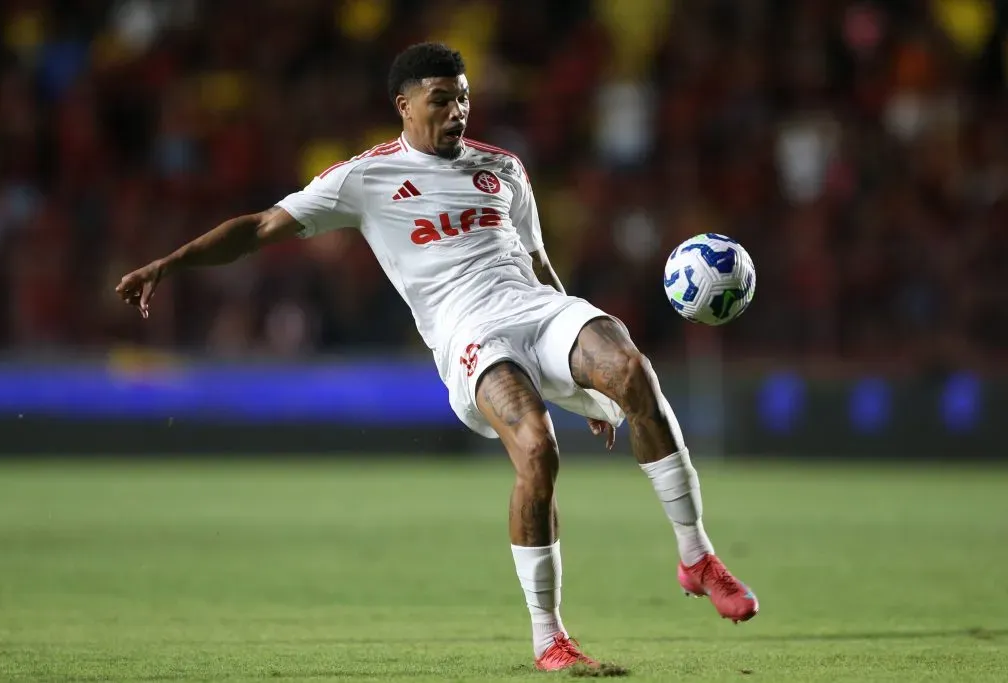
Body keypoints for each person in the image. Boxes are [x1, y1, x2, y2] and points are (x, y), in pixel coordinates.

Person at [116, 42, 758, 672]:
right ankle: (549, 639)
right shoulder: (362, 179)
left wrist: (578, 380)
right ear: (404, 105)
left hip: (536, 307)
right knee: (537, 448)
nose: (457, 112)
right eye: (442, 99)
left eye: (465, 99)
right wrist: (171, 264)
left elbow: (536, 261)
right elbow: (258, 229)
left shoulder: (503, 167)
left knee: (631, 372)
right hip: (470, 334)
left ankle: (696, 555)